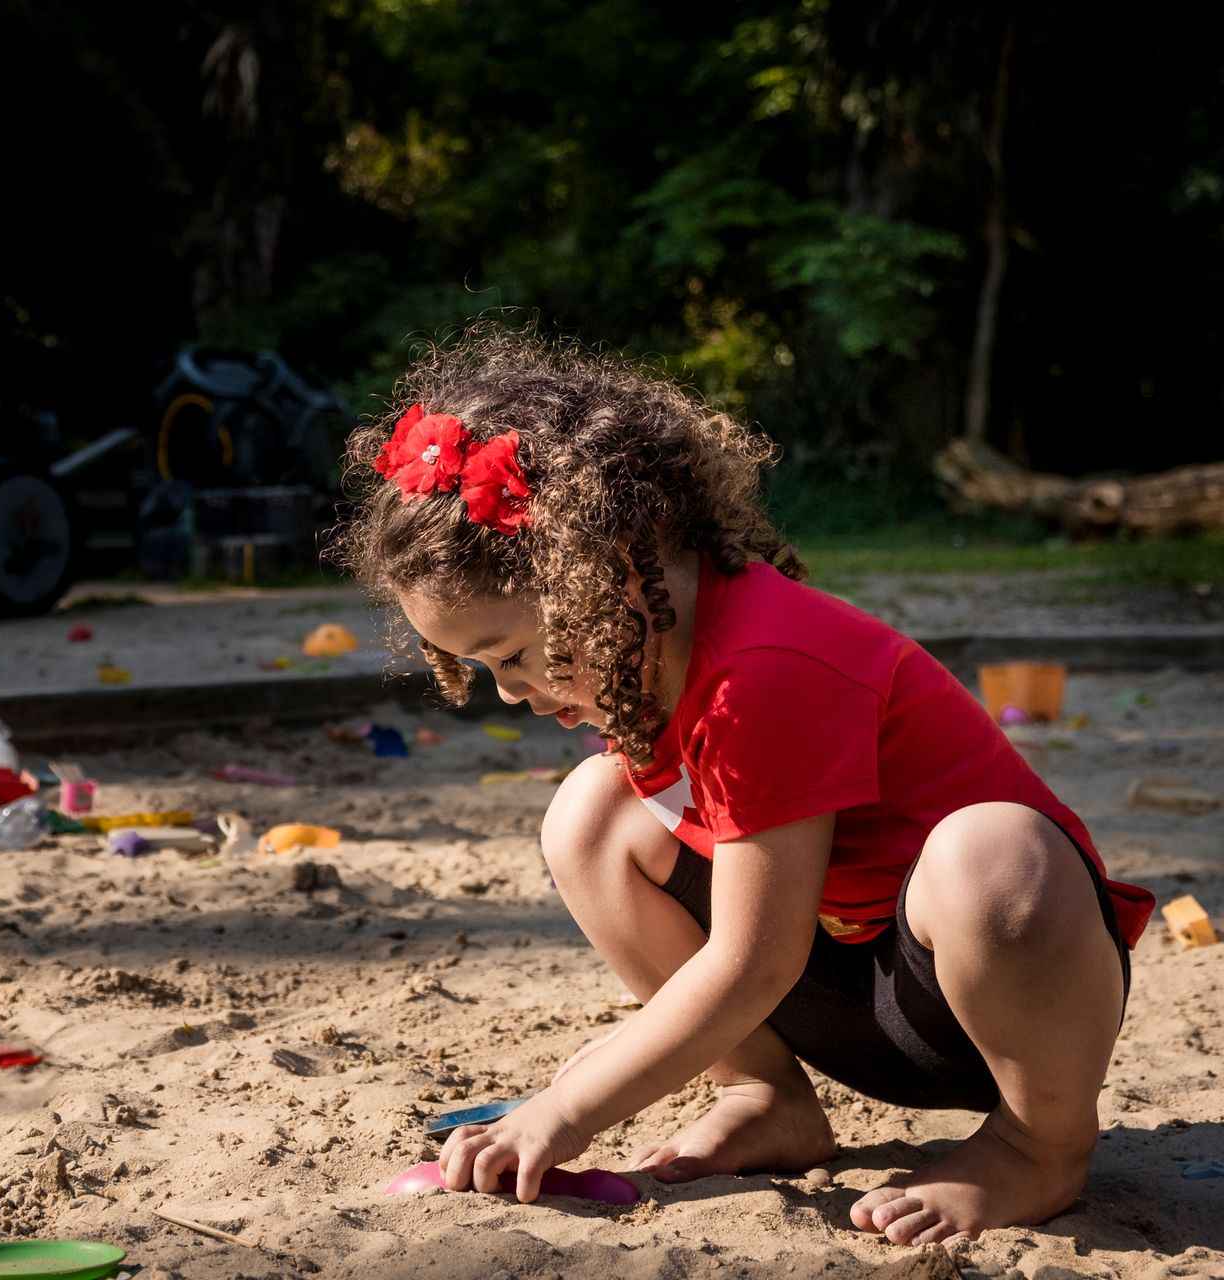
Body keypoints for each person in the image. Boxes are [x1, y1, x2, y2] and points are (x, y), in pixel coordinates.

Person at [333, 325, 1156, 1246]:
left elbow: (754, 961)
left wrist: (564, 1109)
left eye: (513, 655)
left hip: (998, 996)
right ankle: (764, 1095)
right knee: (590, 816)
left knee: (991, 855)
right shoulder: (654, 660)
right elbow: (753, 940)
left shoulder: (765, 664)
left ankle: (1040, 1146)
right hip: (847, 995)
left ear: (604, 574)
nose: (513, 694)